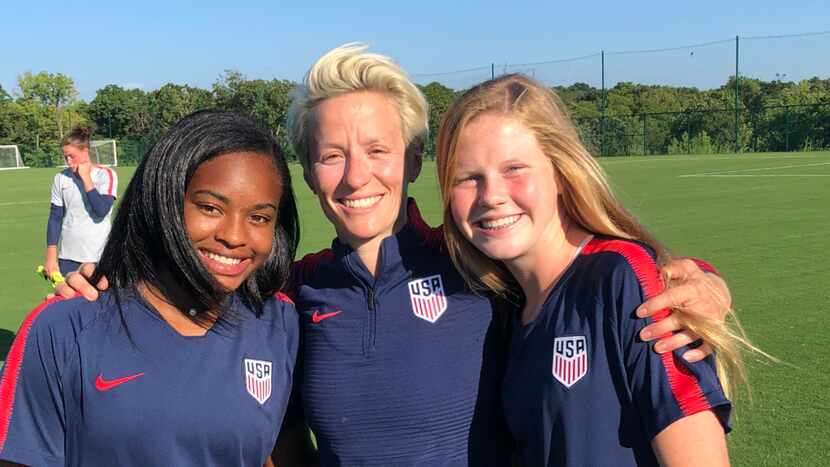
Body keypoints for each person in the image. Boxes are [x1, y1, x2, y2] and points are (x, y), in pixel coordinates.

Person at [60, 45, 733, 466]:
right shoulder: (292, 292)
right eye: (330, 155)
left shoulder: (478, 267)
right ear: (308, 170)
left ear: (412, 159)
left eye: (378, 151)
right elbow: (192, 312)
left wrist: (699, 279)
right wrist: (100, 292)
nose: (356, 177)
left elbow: (583, 277)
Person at [435, 74, 740, 466]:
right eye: (468, 178)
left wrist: (706, 278)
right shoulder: (498, 302)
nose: (491, 195)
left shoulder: (623, 280)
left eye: (514, 168)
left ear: (560, 173)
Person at [0, 110, 300, 467]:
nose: (234, 236)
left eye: (260, 217)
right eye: (209, 207)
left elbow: (265, 449)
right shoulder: (64, 327)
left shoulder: (279, 322)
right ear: (164, 200)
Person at [45, 126, 118, 277]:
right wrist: (51, 257)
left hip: (98, 256)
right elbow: (55, 218)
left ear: (85, 151)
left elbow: (102, 210)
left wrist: (86, 178)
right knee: (68, 299)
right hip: (68, 258)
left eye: (72, 156)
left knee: (97, 298)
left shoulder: (106, 175)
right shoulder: (61, 178)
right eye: (66, 157)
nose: (68, 161)